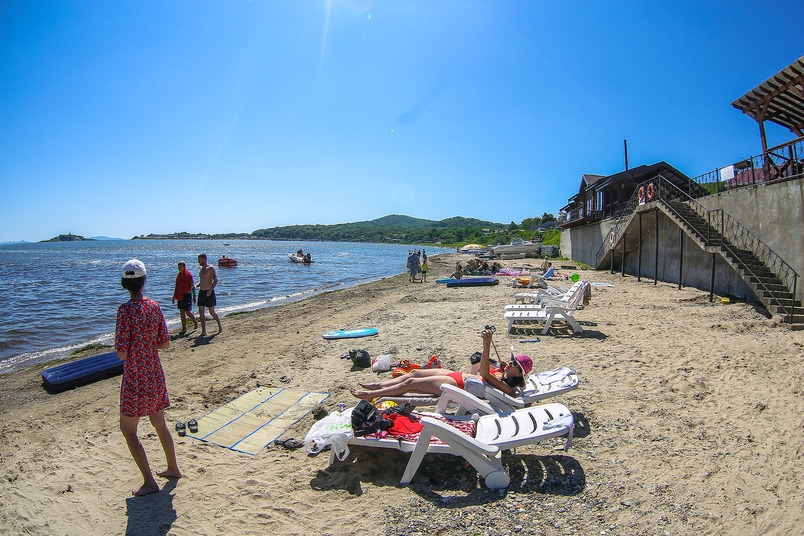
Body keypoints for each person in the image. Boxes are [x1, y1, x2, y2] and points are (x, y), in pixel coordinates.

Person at [115, 259, 181, 496]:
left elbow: (122, 353)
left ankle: (150, 482)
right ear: (144, 281)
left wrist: (135, 347)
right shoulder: (154, 307)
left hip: (135, 376)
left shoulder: (124, 311)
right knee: (159, 423)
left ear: (125, 283)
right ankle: (173, 467)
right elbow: (165, 344)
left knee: (129, 431)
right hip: (154, 372)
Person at [350, 328, 532, 401]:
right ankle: (379, 385)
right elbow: (483, 371)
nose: (510, 361)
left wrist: (486, 345)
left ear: (519, 374)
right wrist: (501, 367)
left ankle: (371, 394)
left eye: (513, 362)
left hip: (458, 385)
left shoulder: (506, 388)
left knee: (410, 384)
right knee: (413, 374)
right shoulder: (504, 375)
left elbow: (484, 374)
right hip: (458, 376)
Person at [196, 253, 222, 336]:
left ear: (204, 259)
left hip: (209, 292)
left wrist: (211, 290)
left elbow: (216, 280)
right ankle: (203, 331)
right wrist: (196, 286)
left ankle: (219, 325)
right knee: (201, 312)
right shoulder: (201, 269)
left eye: (199, 260)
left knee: (211, 312)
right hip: (202, 292)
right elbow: (202, 281)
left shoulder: (210, 268)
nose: (198, 261)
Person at [172, 261, 198, 335]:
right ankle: (184, 328)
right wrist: (174, 296)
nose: (179, 268)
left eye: (181, 267)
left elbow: (192, 286)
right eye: (178, 267)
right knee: (181, 312)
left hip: (187, 295)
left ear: (184, 267)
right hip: (180, 295)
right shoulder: (179, 275)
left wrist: (194, 296)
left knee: (187, 312)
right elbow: (176, 286)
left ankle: (195, 321)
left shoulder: (189, 275)